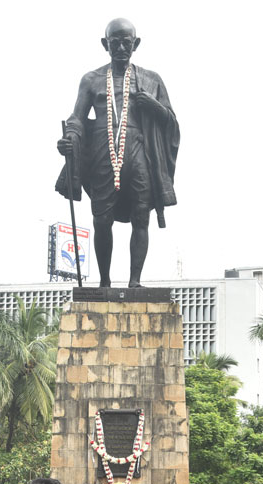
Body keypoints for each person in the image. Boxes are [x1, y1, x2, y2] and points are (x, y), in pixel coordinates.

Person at [56, 17, 179, 288]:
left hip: (139, 152)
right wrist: (68, 139)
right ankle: (104, 282)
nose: (121, 47)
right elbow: (76, 118)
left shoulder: (150, 79)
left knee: (140, 216)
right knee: (101, 220)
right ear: (105, 44)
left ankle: (135, 282)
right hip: (102, 151)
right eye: (115, 42)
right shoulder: (91, 80)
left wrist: (153, 106)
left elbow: (171, 122)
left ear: (136, 44)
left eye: (127, 42)